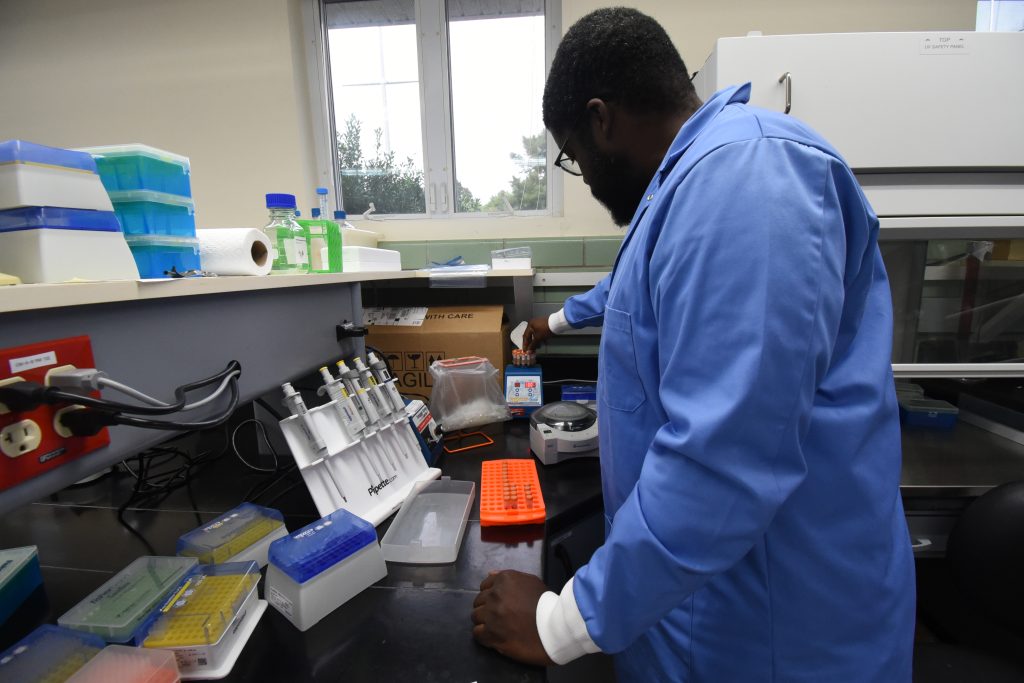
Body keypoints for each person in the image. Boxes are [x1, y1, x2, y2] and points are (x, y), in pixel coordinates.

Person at [470, 7, 915, 682]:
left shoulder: (749, 175)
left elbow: (726, 457)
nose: (582, 175)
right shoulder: (683, 192)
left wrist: (558, 622)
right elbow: (634, 312)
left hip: (779, 637)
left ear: (602, 120)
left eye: (572, 153)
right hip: (698, 616)